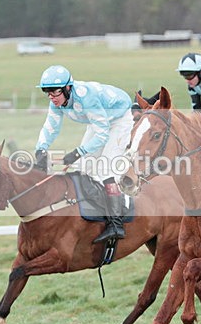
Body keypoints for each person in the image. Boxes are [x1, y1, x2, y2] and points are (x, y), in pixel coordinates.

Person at [34, 65, 133, 243]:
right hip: (99, 121)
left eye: (55, 92)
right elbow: (51, 127)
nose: (51, 97)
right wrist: (40, 148)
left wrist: (78, 151)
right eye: (47, 92)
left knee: (105, 169)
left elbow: (102, 134)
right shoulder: (56, 101)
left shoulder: (86, 98)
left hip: (119, 119)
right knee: (82, 167)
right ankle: (95, 212)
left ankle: (116, 224)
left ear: (68, 88)